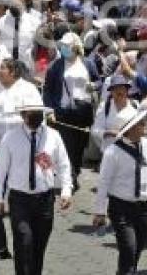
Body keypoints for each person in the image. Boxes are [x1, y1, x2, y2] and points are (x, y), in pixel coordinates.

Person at [0, 92, 73, 275]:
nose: (37, 116)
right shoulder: (10, 137)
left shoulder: (54, 136)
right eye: (32, 113)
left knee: (38, 248)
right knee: (23, 242)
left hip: (45, 199)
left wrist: (66, 191)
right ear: (23, 115)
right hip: (20, 199)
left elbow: (64, 165)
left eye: (39, 112)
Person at [94, 105, 147, 275]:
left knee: (139, 245)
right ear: (129, 129)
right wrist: (100, 212)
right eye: (140, 124)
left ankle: (126, 271)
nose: (144, 127)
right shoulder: (112, 152)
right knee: (128, 247)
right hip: (120, 207)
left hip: (143, 207)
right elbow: (103, 183)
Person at [0, 58, 42, 261]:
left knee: (18, 190)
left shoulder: (28, 90)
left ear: (14, 72)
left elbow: (38, 116)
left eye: (3, 68)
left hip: (20, 148)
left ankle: (25, 237)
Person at [43, 31, 97, 191]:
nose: (64, 49)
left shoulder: (88, 64)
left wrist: (94, 86)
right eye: (63, 46)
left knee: (79, 147)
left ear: (75, 47)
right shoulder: (56, 66)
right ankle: (69, 177)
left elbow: (98, 80)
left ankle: (75, 171)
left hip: (83, 112)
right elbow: (47, 90)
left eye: (67, 46)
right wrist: (50, 110)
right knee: (66, 145)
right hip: (63, 112)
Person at [91, 74, 139, 151]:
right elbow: (95, 130)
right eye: (115, 89)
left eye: (121, 88)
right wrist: (109, 133)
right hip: (109, 152)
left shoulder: (135, 105)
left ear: (126, 90)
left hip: (130, 152)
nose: (119, 91)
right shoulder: (105, 106)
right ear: (111, 92)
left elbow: (140, 130)